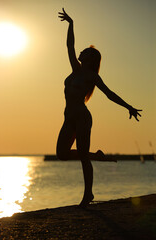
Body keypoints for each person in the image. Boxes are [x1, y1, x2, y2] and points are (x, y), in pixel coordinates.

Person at [57, 8, 142, 208]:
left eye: (85, 51)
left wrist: (128, 106)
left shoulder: (92, 77)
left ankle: (88, 195)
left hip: (82, 119)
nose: (80, 52)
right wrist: (71, 23)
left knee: (82, 158)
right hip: (68, 118)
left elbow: (110, 94)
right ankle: (97, 155)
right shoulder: (74, 70)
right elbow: (70, 46)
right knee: (61, 154)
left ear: (91, 58)